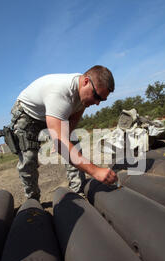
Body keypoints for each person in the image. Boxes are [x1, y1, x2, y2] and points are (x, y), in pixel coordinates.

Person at [9, 66, 117, 201]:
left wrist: (63, 139)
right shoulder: (60, 93)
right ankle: (33, 201)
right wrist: (95, 171)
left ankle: (78, 191)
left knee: (72, 146)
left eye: (102, 100)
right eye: (96, 97)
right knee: (29, 159)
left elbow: (74, 118)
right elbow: (61, 144)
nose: (97, 103)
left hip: (53, 114)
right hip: (29, 115)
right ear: (86, 82)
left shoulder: (83, 93)